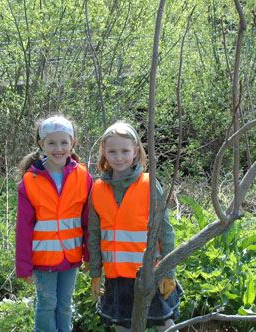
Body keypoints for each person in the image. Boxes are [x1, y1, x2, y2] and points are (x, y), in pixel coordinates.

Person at [88, 122, 183, 332]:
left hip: (150, 273)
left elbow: (165, 231)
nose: (118, 157)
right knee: (121, 326)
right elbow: (93, 234)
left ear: (136, 151)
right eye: (112, 151)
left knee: (164, 323)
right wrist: (96, 272)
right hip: (116, 277)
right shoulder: (97, 189)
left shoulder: (149, 184)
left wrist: (169, 271)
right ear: (104, 152)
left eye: (125, 151)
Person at [15, 115, 93, 332]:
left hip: (71, 255)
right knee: (47, 304)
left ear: (72, 144)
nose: (58, 148)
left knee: (65, 305)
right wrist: (23, 266)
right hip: (43, 258)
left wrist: (89, 255)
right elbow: (23, 228)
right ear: (42, 145)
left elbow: (88, 221)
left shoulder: (83, 175)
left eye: (64, 142)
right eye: (51, 142)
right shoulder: (31, 181)